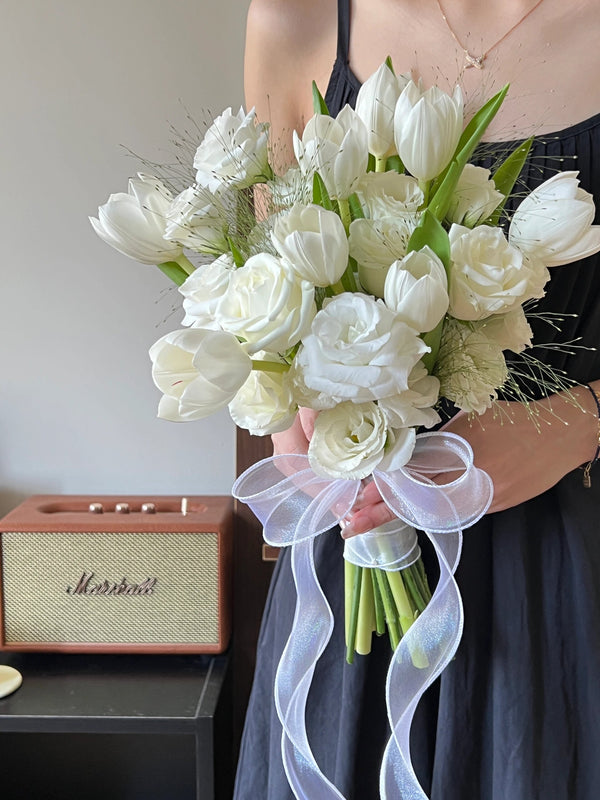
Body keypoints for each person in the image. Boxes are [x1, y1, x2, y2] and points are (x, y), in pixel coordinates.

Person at [235, 1, 600, 797]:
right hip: (353, 572)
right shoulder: (295, 19)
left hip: (566, 580)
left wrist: (578, 425)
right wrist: (293, 426)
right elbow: (264, 294)